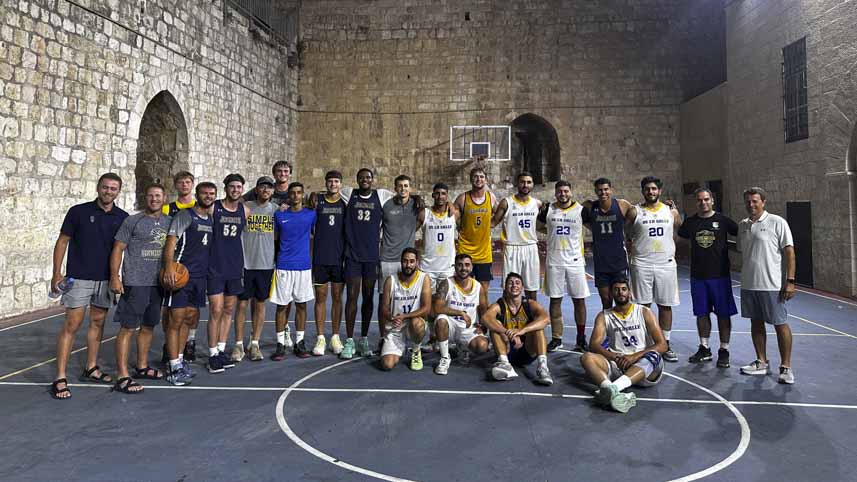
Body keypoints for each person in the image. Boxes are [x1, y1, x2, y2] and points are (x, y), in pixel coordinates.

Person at [50, 173, 128, 400]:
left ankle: (91, 367)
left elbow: (121, 249)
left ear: (118, 192)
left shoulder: (122, 217)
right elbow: (62, 241)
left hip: (106, 280)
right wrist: (56, 274)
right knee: (72, 324)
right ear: (98, 187)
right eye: (105, 187)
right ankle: (60, 377)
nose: (109, 191)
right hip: (79, 278)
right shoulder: (78, 212)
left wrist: (118, 277)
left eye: (113, 189)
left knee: (98, 322)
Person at [108, 183, 170, 394]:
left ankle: (141, 367)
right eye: (151, 195)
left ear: (164, 198)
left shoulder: (169, 222)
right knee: (128, 328)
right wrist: (115, 277)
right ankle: (122, 375)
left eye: (158, 195)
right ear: (146, 198)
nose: (154, 199)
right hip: (135, 282)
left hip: (157, 283)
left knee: (148, 326)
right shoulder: (132, 220)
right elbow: (118, 248)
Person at [580, 279, 667, 413]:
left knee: (655, 356)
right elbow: (594, 345)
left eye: (624, 289)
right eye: (616, 289)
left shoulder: (644, 312)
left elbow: (662, 345)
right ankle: (611, 390)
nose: (621, 292)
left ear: (630, 292)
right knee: (587, 357)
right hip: (618, 365)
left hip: (644, 367)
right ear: (611, 293)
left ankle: (612, 389)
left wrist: (633, 357)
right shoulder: (604, 316)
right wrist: (615, 357)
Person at [737, 187, 796, 384]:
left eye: (755, 201)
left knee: (780, 324)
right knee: (756, 323)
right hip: (748, 285)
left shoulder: (777, 222)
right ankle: (761, 362)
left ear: (763, 202)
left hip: (772, 285)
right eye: (748, 201)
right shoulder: (743, 225)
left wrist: (790, 281)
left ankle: (786, 367)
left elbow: (789, 253)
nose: (751, 205)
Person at [162, 182, 217, 384]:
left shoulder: (210, 219)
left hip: (199, 278)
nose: (208, 196)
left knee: (189, 318)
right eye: (205, 193)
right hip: (181, 275)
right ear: (197, 194)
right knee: (176, 319)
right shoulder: (185, 215)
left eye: (212, 194)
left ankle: (181, 360)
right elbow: (171, 241)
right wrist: (169, 267)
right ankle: (173, 366)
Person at [677, 187, 739, 367]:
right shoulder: (690, 223)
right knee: (701, 313)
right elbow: (679, 236)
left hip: (720, 276)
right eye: (699, 200)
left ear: (712, 200)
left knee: (723, 314)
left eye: (706, 199)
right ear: (696, 202)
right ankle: (704, 348)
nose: (703, 203)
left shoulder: (723, 221)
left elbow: (742, 234)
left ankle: (724, 350)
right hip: (698, 276)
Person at [625, 176, 682, 362]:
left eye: (654, 189)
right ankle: (645, 344)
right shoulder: (635, 211)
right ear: (643, 191)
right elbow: (626, 233)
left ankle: (665, 343)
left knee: (665, 305)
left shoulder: (671, 212)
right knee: (643, 307)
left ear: (659, 191)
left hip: (665, 264)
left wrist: (669, 248)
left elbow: (678, 231)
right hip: (642, 264)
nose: (651, 192)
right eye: (647, 189)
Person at [342, 168, 394, 358]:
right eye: (362, 177)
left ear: (373, 180)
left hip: (372, 256)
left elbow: (403, 195)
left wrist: (417, 199)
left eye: (368, 177)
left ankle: (363, 339)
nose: (365, 180)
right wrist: (315, 195)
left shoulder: (380, 196)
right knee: (352, 298)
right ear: (357, 179)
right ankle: (349, 340)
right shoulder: (349, 194)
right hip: (353, 255)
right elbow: (329, 191)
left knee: (368, 298)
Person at [538, 180, 590, 353]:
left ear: (571, 192)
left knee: (579, 300)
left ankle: (581, 338)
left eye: (566, 191)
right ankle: (556, 338)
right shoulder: (548, 210)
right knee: (555, 300)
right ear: (555, 193)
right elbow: (538, 226)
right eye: (560, 191)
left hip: (575, 261)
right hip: (555, 260)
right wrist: (551, 232)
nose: (563, 194)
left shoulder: (581, 210)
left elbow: (593, 227)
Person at [207, 174, 250, 371]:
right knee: (215, 310)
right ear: (225, 188)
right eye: (232, 186)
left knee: (228, 310)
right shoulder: (214, 207)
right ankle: (212, 353)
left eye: (239, 187)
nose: (235, 190)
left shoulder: (245, 211)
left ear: (242, 189)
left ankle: (222, 349)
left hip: (234, 266)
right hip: (215, 265)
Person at [270, 182, 317, 361]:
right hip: (283, 266)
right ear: (288, 196)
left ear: (302, 195)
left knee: (301, 305)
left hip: (303, 267)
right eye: (293, 193)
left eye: (299, 193)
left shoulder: (311, 214)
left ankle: (300, 342)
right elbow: (273, 238)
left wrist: (315, 199)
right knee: (282, 306)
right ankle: (280, 344)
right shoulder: (279, 215)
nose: (296, 195)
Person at [480, 273, 553, 386]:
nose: (514, 285)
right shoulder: (499, 305)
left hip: (527, 350)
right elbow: (485, 318)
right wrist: (505, 332)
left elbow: (546, 319)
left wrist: (522, 331)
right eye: (510, 283)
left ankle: (543, 368)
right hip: (507, 349)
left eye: (517, 283)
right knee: (495, 325)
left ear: (522, 287)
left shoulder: (529, 304)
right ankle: (504, 363)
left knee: (538, 328)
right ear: (505, 287)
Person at [233, 176, 277, 362]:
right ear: (256, 189)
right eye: (262, 187)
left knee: (260, 304)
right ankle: (238, 344)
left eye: (269, 187)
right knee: (242, 304)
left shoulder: (276, 210)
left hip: (266, 264)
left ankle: (255, 343)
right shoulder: (245, 207)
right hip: (245, 263)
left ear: (273, 191)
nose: (265, 190)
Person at [306, 170, 348, 356]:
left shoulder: (345, 203)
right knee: (321, 298)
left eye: (336, 181)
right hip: (321, 259)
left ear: (341, 184)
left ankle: (336, 337)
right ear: (325, 183)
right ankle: (321, 337)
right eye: (330, 181)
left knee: (338, 298)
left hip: (339, 259)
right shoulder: (317, 203)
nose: (333, 184)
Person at [161, 170, 199, 364]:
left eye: (187, 182)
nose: (184, 185)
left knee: (192, 311)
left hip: (195, 265)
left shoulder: (199, 207)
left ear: (192, 185)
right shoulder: (168, 209)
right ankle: (169, 346)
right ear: (176, 186)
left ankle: (190, 341)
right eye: (181, 182)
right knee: (169, 311)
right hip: (174, 265)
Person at [432, 254, 489, 375]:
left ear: (472, 267)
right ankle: (445, 358)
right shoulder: (446, 283)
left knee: (482, 346)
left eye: (467, 265)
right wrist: (460, 313)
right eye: (460, 265)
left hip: (467, 328)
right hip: (450, 326)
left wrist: (483, 327)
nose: (463, 268)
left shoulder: (478, 287)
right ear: (455, 267)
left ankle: (463, 347)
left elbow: (484, 311)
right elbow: (437, 308)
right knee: (441, 319)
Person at [582, 178, 633, 310]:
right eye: (600, 190)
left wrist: (624, 229)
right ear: (595, 191)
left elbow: (635, 215)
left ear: (610, 189)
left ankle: (625, 328)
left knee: (622, 298)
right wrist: (595, 228)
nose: (603, 192)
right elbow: (582, 219)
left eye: (606, 189)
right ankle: (609, 328)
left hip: (619, 260)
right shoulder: (590, 206)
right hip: (601, 261)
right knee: (605, 299)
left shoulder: (622, 205)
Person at [379, 248, 432, 371]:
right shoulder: (390, 280)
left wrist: (404, 316)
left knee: (417, 323)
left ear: (417, 263)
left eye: (412, 261)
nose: (408, 265)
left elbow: (426, 309)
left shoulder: (424, 279)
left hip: (412, 324)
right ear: (401, 262)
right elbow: (384, 308)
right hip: (396, 327)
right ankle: (399, 348)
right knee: (387, 365)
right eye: (405, 261)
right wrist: (391, 317)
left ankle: (416, 350)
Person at [492, 171, 542, 300]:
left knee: (532, 289)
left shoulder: (537, 204)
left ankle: (531, 317)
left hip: (531, 247)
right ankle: (507, 317)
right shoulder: (506, 202)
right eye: (522, 182)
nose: (525, 185)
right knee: (509, 288)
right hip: (512, 248)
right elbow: (492, 223)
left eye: (529, 182)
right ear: (517, 184)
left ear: (532, 184)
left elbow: (542, 226)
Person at [453, 166, 498, 294]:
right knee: (462, 288)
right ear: (471, 179)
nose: (479, 179)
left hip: (484, 253)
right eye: (475, 177)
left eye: (481, 177)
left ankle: (482, 314)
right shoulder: (463, 198)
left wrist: (493, 222)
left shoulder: (491, 197)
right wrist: (458, 224)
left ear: (486, 180)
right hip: (465, 251)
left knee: (483, 291)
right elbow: (452, 216)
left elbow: (501, 212)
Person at [420, 182, 458, 289]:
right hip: (427, 267)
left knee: (444, 302)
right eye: (437, 193)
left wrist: (450, 204)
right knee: (427, 301)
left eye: (443, 194)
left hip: (447, 268)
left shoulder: (454, 214)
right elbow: (409, 231)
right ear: (433, 195)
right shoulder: (425, 214)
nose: (440, 196)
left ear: (447, 196)